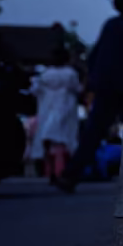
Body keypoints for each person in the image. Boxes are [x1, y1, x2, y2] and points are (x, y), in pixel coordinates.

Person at [57, 0, 123, 191]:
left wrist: (92, 81)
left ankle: (71, 175)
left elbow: (94, 57)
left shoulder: (113, 26)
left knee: (95, 130)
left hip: (110, 85)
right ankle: (72, 174)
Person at [30, 49, 81, 182]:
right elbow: (77, 88)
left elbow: (35, 90)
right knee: (65, 139)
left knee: (47, 138)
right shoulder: (70, 74)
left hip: (47, 107)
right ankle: (63, 171)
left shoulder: (45, 74)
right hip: (65, 107)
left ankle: (50, 169)